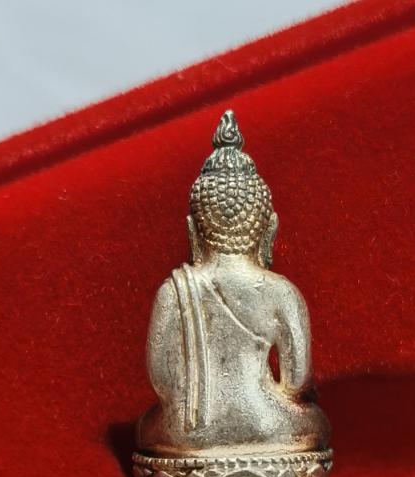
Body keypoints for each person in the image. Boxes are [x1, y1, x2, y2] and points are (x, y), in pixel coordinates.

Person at [137, 111, 330, 457]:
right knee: (315, 424)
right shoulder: (281, 292)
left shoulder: (173, 291)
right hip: (269, 426)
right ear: (269, 229)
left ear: (192, 231)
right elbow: (296, 382)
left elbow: (163, 380)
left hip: (190, 439)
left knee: (150, 428)